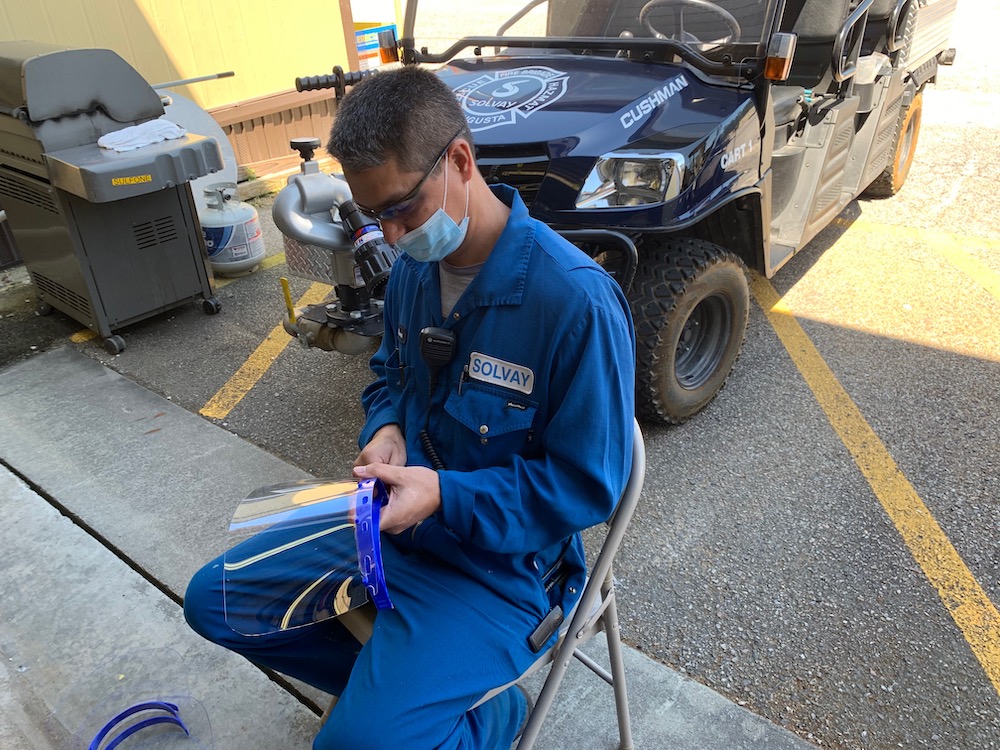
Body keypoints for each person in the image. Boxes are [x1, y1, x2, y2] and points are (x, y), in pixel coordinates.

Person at [184, 65, 635, 749]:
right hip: (394, 529)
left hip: (499, 572)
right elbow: (390, 373)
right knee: (216, 601)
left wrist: (445, 496)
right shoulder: (417, 272)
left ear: (459, 160)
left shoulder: (574, 302)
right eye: (374, 216)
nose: (390, 238)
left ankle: (488, 721)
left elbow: (585, 486)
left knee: (349, 747)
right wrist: (387, 424)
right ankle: (397, 704)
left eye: (401, 209)